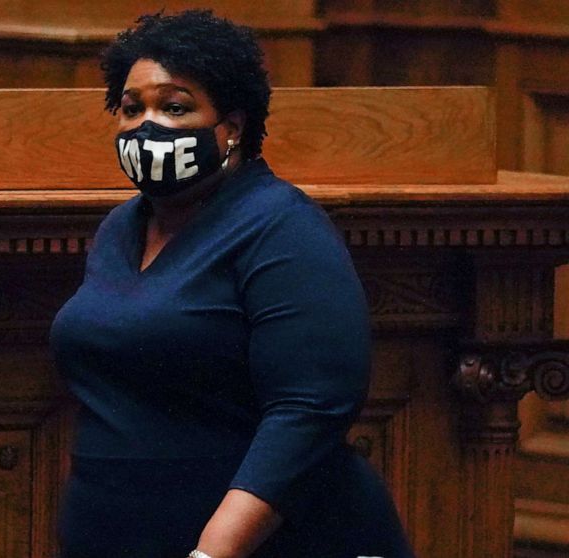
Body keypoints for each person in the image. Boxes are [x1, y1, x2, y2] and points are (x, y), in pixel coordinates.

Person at [47, 9, 415, 558]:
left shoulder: (282, 227)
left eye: (175, 107)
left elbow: (310, 407)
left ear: (233, 127)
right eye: (131, 109)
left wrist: (216, 550)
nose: (147, 126)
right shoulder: (122, 227)